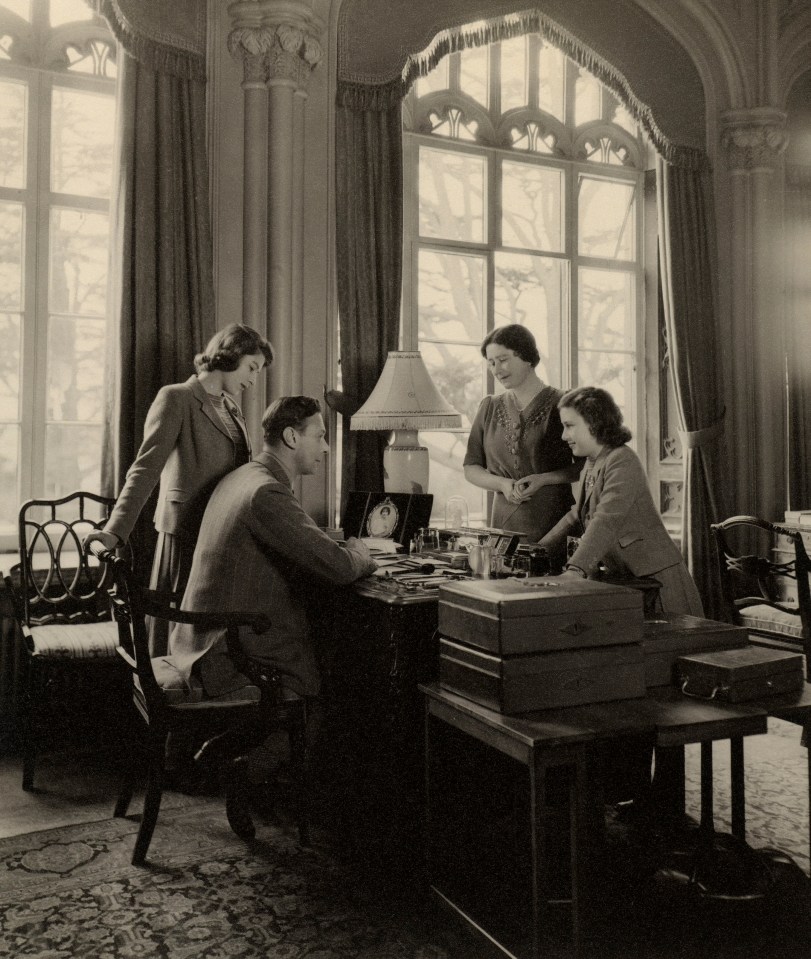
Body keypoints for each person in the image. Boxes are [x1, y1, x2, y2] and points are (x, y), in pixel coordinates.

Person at [169, 396, 377, 702]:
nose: (326, 448)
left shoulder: (243, 477)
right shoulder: (266, 492)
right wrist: (362, 549)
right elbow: (342, 567)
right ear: (292, 437)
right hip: (226, 658)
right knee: (340, 676)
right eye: (319, 436)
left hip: (200, 640)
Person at [83, 323, 273, 653]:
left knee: (210, 635)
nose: (253, 381)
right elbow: (144, 469)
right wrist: (114, 532)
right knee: (175, 634)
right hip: (185, 533)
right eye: (251, 368)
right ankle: (168, 697)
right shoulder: (177, 398)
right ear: (231, 356)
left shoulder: (231, 408)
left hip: (220, 534)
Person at [539, 385, 704, 617]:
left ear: (594, 423)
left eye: (569, 426)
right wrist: (534, 551)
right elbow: (574, 517)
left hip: (658, 582)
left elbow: (606, 520)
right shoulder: (592, 461)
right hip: (633, 579)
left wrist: (575, 570)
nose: (564, 436)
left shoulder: (623, 460)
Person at [463, 325, 582, 562]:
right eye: (491, 363)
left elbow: (583, 466)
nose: (496, 369)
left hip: (554, 519)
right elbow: (471, 468)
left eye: (503, 360)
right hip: (504, 524)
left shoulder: (564, 403)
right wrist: (503, 484)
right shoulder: (489, 406)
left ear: (526, 356)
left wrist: (544, 479)